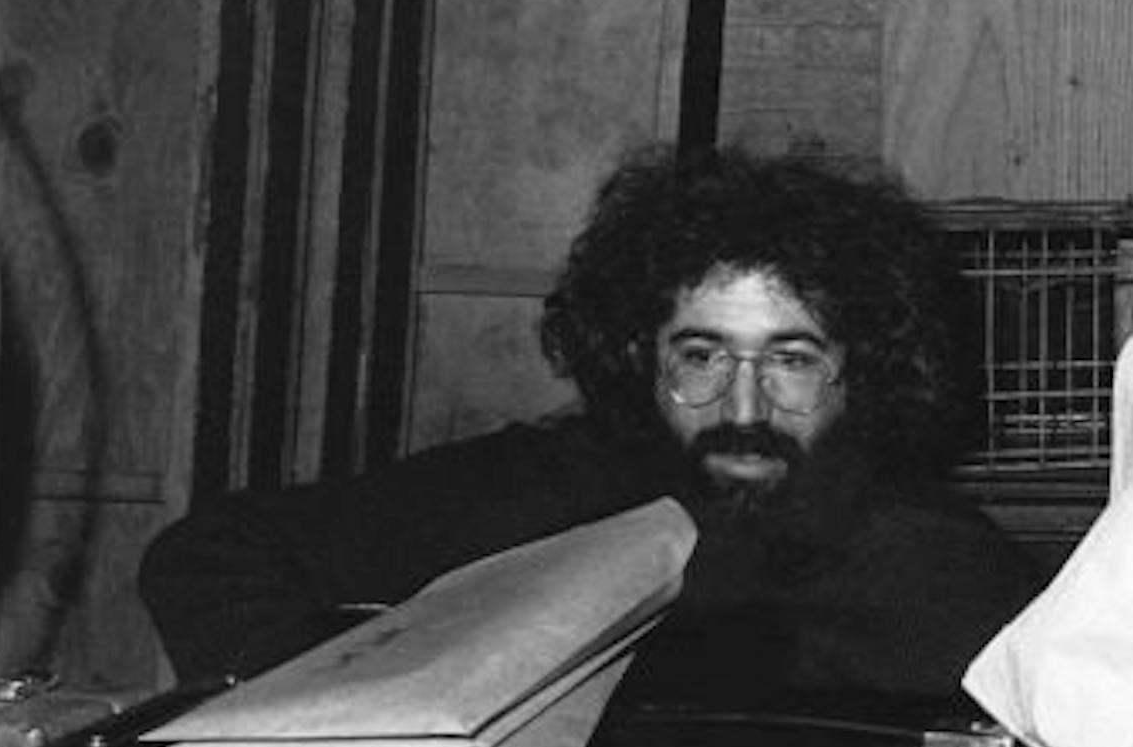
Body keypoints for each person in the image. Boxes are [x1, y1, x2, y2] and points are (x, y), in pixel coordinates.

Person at [139, 146, 1044, 707]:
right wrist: (342, 698)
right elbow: (210, 554)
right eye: (701, 357)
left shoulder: (937, 564)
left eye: (791, 361)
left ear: (865, 372)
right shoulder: (546, 486)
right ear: (638, 356)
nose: (742, 409)